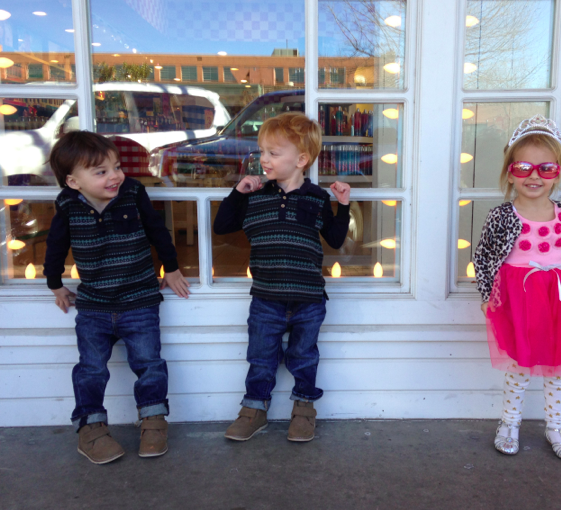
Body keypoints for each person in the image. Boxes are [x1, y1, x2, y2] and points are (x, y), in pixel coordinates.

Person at [44, 131, 190, 464]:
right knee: (91, 370)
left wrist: (171, 268)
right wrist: (55, 284)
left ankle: (153, 421)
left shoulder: (133, 193)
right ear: (73, 182)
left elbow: (157, 230)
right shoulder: (67, 204)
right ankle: (91, 428)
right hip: (94, 306)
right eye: (101, 171)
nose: (115, 176)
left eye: (117, 166)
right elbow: (56, 246)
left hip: (139, 301)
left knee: (149, 364)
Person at [214, 112, 351, 442]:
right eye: (262, 151)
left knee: (304, 358)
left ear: (301, 159)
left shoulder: (317, 198)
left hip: (308, 299)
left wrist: (343, 205)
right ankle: (254, 410)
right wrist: (238, 192)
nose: (264, 159)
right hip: (266, 297)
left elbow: (334, 240)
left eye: (273, 153)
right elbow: (221, 227)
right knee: (261, 358)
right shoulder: (256, 195)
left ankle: (303, 410)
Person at [473, 115, 561, 461]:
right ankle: (509, 423)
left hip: (558, 299)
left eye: (546, 168)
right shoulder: (502, 215)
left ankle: (556, 426)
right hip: (518, 301)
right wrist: (488, 296)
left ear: (559, 172)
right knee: (519, 367)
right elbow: (483, 256)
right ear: (510, 173)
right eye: (523, 168)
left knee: (558, 369)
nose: (534, 176)